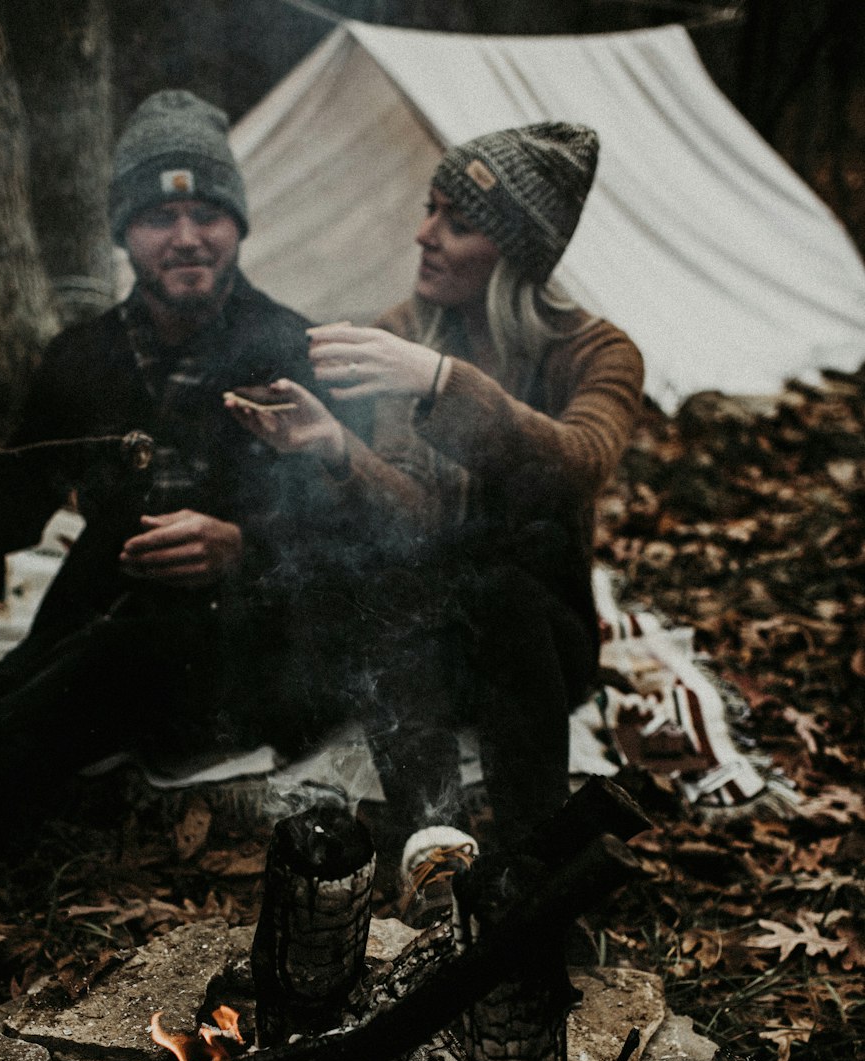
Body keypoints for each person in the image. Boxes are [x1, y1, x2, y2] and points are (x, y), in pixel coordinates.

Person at [0, 90, 362, 986]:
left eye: (206, 211)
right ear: (124, 234)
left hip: (250, 645)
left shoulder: (291, 349)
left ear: (238, 226)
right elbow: (5, 519)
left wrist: (243, 544)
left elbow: (358, 542)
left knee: (99, 660)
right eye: (158, 215)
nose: (186, 236)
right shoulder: (82, 357)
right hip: (110, 610)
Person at [226, 123, 645, 916]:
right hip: (430, 641)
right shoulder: (398, 338)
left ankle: (535, 880)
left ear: (516, 253)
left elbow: (579, 463)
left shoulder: (595, 352)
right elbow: (416, 521)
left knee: (520, 560)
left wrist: (442, 383)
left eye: (457, 220)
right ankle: (433, 854)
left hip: (540, 645)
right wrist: (336, 448)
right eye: (430, 208)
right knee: (385, 566)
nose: (424, 234)